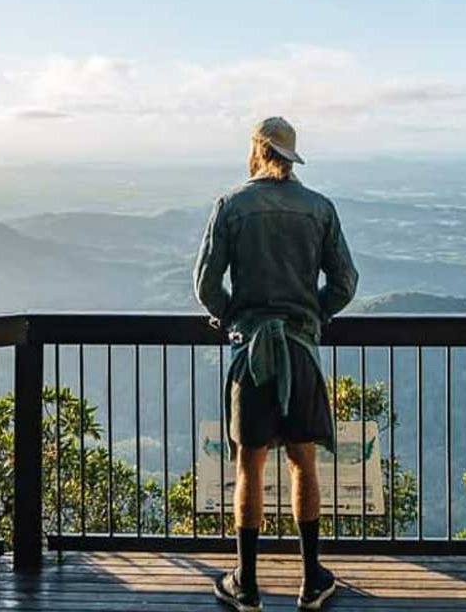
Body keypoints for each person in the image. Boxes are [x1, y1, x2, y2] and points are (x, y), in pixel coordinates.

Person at [194, 116, 359, 612]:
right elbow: (345, 281)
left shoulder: (231, 207)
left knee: (249, 466)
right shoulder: (319, 209)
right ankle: (312, 580)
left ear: (256, 150)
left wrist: (234, 321)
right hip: (301, 352)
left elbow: (205, 285)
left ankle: (245, 582)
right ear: (289, 157)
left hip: (252, 358)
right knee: (303, 463)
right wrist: (312, 317)